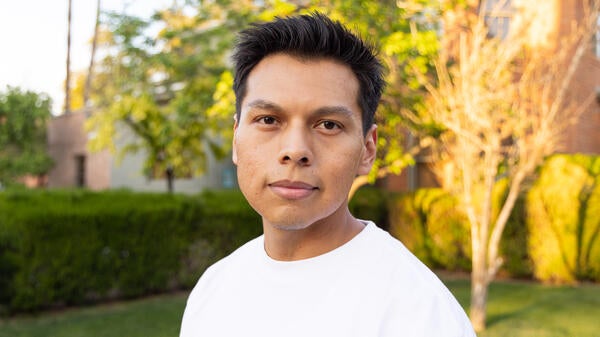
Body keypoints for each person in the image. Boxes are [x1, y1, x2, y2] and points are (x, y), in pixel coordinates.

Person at [180, 12, 476, 337]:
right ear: (236, 138)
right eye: (268, 119)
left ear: (367, 150)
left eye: (328, 125)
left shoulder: (417, 313)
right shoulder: (214, 288)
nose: (295, 150)